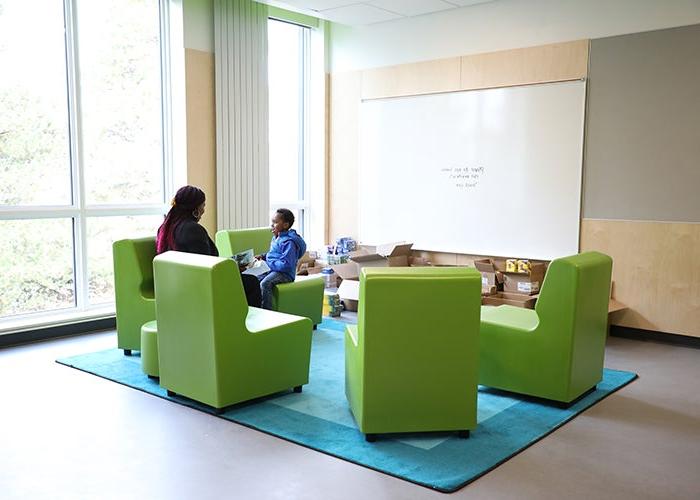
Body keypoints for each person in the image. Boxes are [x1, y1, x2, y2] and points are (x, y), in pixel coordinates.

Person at [156, 185, 261, 307]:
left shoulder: (164, 228)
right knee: (252, 282)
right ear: (195, 208)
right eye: (203, 206)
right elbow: (206, 267)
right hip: (198, 286)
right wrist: (233, 268)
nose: (204, 210)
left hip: (175, 283)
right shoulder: (193, 229)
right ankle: (248, 323)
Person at [257, 208, 306, 310]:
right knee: (254, 279)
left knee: (265, 283)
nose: (272, 225)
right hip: (274, 270)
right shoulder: (277, 237)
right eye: (272, 222)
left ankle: (267, 311)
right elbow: (275, 254)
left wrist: (268, 262)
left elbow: (287, 265)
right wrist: (263, 256)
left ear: (285, 225)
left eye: (275, 222)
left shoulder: (288, 242)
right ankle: (255, 308)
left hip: (285, 274)